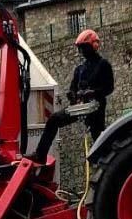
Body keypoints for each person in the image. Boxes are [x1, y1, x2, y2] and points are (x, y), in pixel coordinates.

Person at [29, 29, 114, 164]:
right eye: (80, 49)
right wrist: (73, 96)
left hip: (96, 107)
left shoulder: (103, 65)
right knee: (53, 120)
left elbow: (109, 88)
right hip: (79, 107)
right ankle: (40, 154)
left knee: (98, 136)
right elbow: (72, 88)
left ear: (94, 46)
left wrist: (93, 93)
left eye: (84, 48)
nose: (82, 52)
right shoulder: (80, 69)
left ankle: (109, 162)